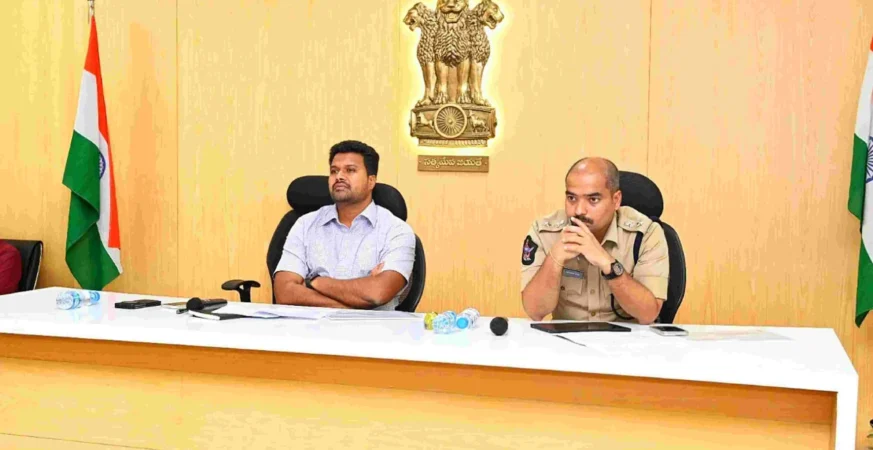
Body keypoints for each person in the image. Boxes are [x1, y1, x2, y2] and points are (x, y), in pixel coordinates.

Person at [520, 157, 669, 324]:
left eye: (593, 200)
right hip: (567, 337)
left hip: (627, 337)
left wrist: (607, 263)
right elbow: (535, 312)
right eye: (572, 198)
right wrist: (554, 258)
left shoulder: (646, 233)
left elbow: (648, 314)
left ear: (616, 200)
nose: (579, 210)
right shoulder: (544, 231)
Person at [273, 140, 416, 310]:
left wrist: (315, 282)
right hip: (311, 325)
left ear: (371, 181)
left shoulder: (396, 231)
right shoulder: (305, 224)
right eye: (334, 171)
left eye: (350, 170)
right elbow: (284, 292)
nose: (339, 176)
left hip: (372, 326)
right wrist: (356, 300)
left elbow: (377, 293)